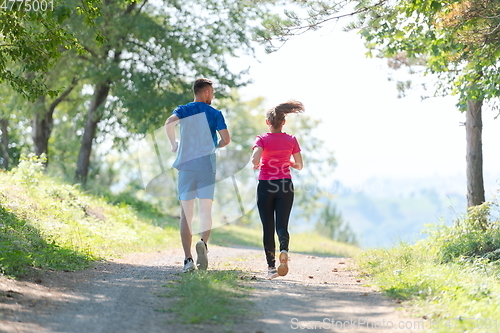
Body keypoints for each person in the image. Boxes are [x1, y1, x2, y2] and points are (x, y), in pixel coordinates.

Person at [164, 78, 231, 273]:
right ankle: (203, 243)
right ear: (206, 92)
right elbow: (226, 139)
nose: (213, 95)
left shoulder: (183, 109)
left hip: (186, 167)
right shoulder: (215, 113)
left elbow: (169, 123)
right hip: (206, 167)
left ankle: (188, 260)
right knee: (205, 212)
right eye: (212, 92)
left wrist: (173, 144)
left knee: (186, 214)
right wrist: (215, 146)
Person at [251, 100, 304, 280]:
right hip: (285, 185)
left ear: (268, 122)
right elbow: (299, 165)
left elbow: (254, 159)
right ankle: (284, 249)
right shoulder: (291, 140)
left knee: (268, 227)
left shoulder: (262, 139)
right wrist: (286, 161)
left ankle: (271, 268)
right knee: (282, 225)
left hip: (266, 185)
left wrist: (257, 163)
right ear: (284, 122)